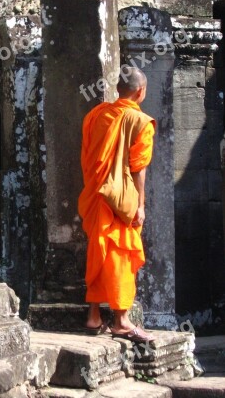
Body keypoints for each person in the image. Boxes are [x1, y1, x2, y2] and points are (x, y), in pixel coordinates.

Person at [78, 66, 156, 341]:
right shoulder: (140, 121)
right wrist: (140, 205)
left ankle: (94, 316)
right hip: (121, 199)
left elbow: (88, 159)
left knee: (98, 249)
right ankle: (122, 320)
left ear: (118, 89)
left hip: (97, 193)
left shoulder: (94, 116)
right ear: (141, 91)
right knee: (120, 252)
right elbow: (139, 168)